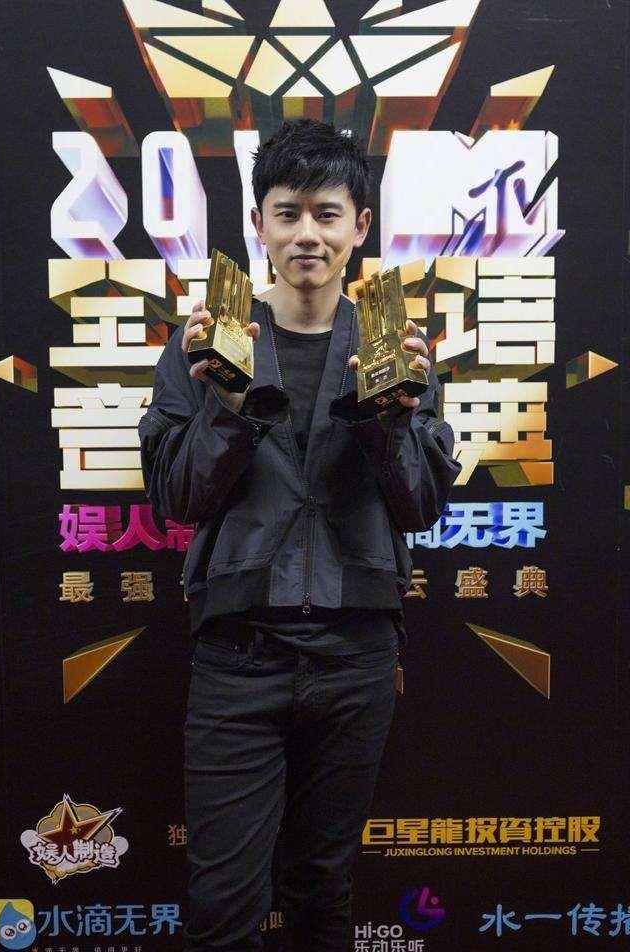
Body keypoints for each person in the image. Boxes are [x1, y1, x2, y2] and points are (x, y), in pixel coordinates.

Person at [138, 118, 461, 952]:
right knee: (222, 907)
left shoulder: (396, 350)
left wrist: (390, 423)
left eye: (327, 213)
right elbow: (175, 499)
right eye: (287, 213)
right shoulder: (206, 347)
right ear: (259, 225)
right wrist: (228, 410)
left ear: (360, 225)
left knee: (324, 892)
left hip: (356, 656)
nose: (306, 234)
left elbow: (422, 506)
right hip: (236, 658)